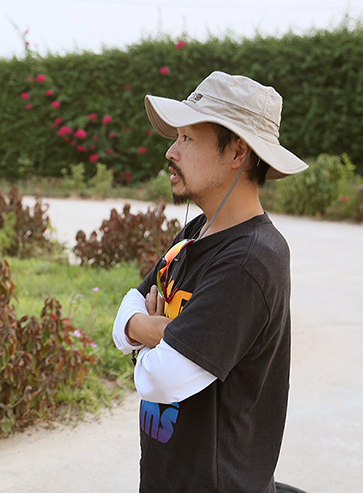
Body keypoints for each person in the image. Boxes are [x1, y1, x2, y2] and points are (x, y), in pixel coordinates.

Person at [112, 71, 308, 492]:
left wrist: (149, 335)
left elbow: (161, 379)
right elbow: (125, 311)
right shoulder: (196, 232)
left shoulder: (251, 259)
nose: (170, 151)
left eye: (186, 138)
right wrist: (154, 329)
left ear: (237, 151)